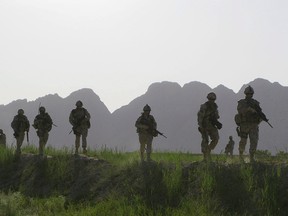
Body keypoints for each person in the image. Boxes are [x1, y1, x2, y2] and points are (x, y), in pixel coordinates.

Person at [235, 85, 270, 162]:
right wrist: (249, 110)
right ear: (245, 94)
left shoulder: (255, 103)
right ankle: (241, 156)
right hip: (244, 124)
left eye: (250, 94)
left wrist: (261, 117)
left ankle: (251, 158)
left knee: (254, 141)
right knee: (243, 141)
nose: (249, 95)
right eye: (248, 94)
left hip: (253, 125)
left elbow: (259, 112)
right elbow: (240, 111)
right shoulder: (241, 102)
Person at [197, 92, 222, 161]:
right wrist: (201, 126)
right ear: (208, 99)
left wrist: (217, 122)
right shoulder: (204, 106)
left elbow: (216, 117)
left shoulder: (215, 107)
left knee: (216, 138)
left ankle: (208, 150)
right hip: (204, 125)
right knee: (205, 140)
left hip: (211, 125)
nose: (212, 100)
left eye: (213, 99)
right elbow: (200, 117)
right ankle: (205, 157)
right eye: (210, 99)